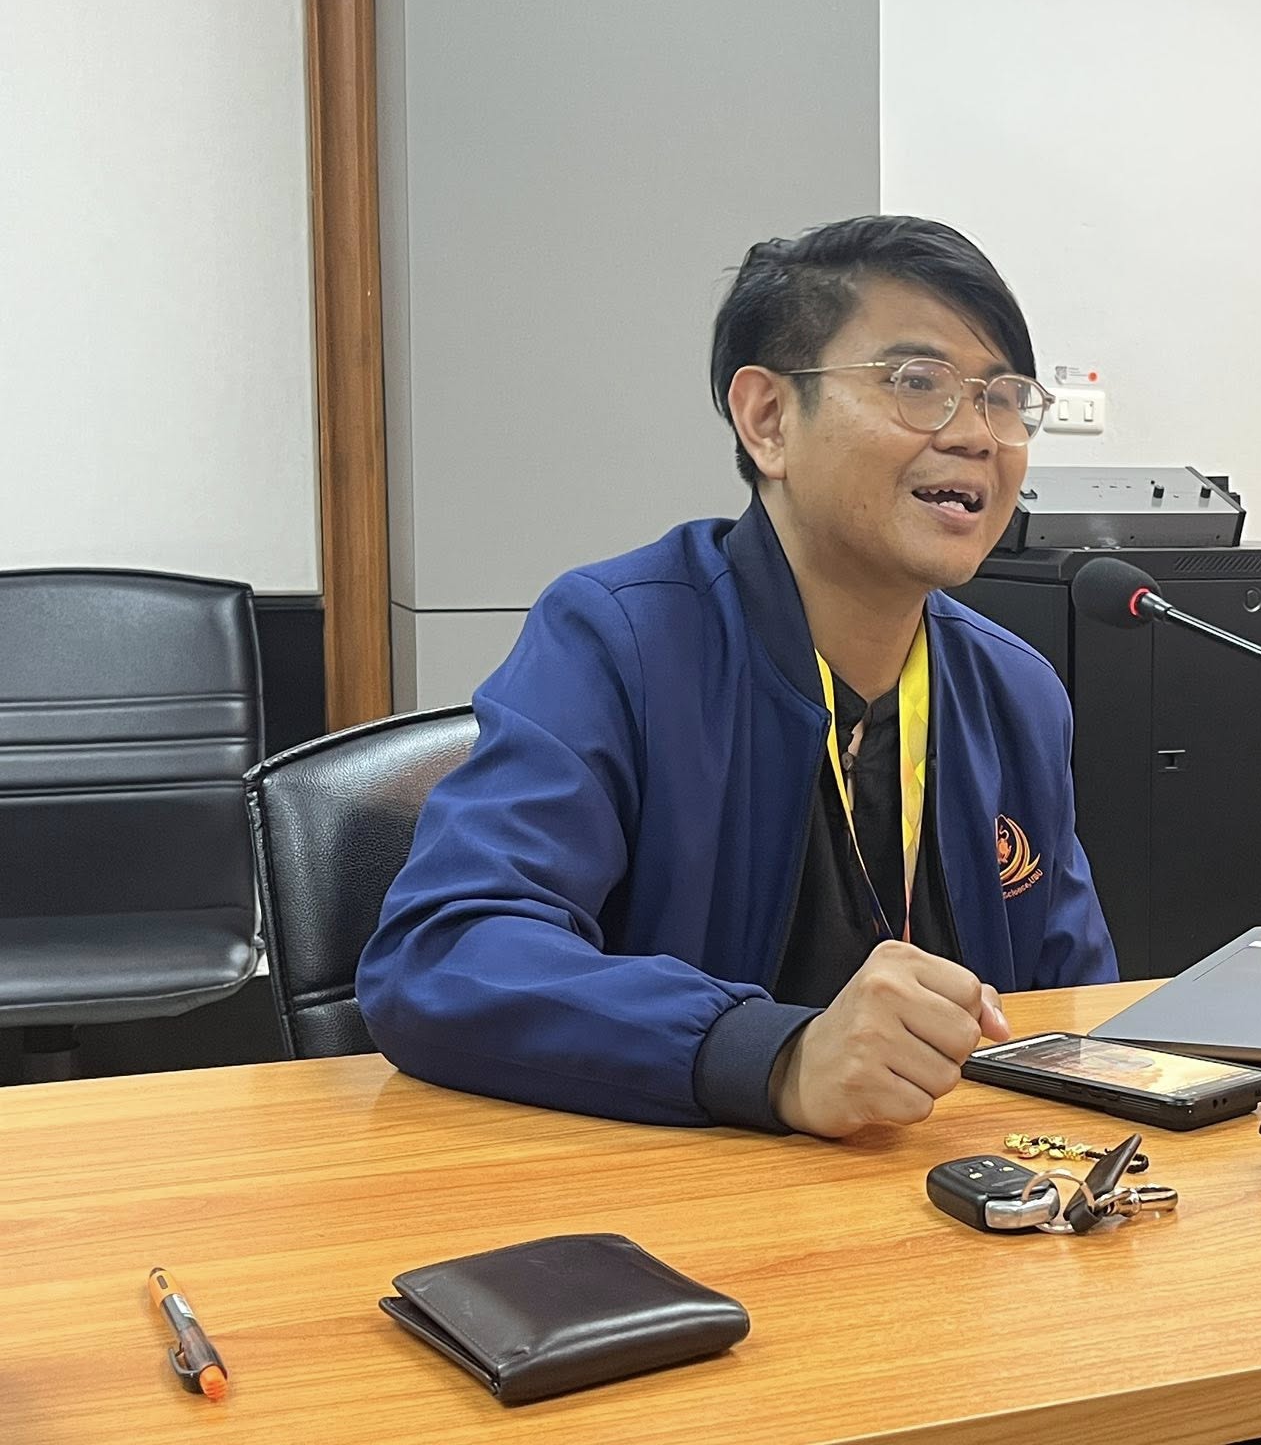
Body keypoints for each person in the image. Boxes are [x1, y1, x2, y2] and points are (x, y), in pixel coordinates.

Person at [357, 215, 1117, 1137]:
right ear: (767, 421)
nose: (977, 436)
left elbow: (1076, 1013)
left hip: (955, 1193)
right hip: (675, 1187)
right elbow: (442, 955)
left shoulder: (1017, 691)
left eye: (1002, 398)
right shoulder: (620, 638)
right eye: (918, 384)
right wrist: (772, 1055)